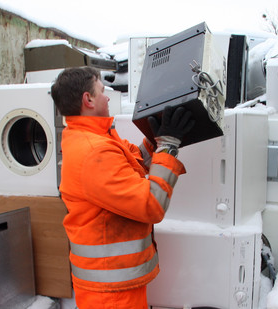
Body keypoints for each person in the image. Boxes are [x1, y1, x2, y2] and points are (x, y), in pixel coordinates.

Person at [51, 66, 194, 308]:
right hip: (111, 293)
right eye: (102, 91)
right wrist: (168, 146)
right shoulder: (94, 150)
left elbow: (131, 162)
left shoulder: (94, 137)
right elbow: (151, 205)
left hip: (112, 284)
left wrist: (155, 141)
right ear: (88, 99)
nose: (107, 97)